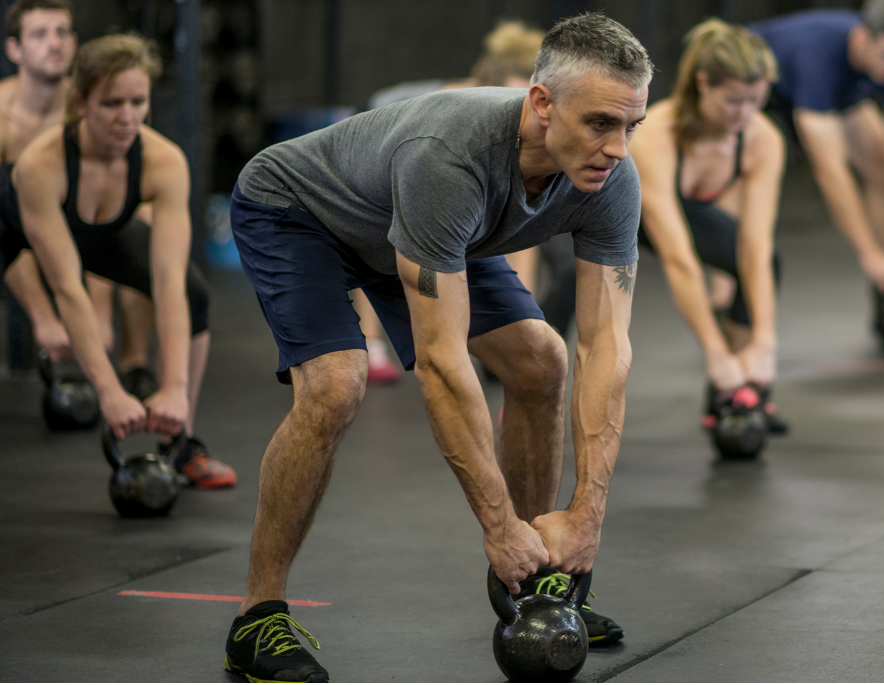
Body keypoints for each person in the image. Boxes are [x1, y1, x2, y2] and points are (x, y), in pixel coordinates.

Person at [226, 13, 650, 682]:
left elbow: (606, 347)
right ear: (542, 103)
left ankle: (534, 578)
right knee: (336, 384)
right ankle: (257, 617)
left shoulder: (611, 179)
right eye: (600, 123)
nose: (617, 148)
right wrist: (497, 524)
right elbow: (443, 365)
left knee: (541, 360)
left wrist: (586, 514)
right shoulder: (450, 156)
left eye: (632, 126)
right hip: (300, 212)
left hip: (423, 231)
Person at [0, 33, 235, 487]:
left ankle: (180, 442)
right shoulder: (41, 165)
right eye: (111, 104)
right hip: (12, 226)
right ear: (80, 103)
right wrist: (108, 392)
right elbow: (68, 287)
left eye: (137, 102)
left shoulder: (164, 162)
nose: (127, 117)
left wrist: (174, 389)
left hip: (94, 231)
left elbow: (168, 283)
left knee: (193, 293)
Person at [358, 20, 548, 384]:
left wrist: (521, 319)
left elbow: (522, 240)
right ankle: (370, 341)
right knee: (378, 232)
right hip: (382, 131)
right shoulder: (451, 115)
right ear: (488, 87)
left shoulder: (516, 127)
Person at [630, 19, 787, 433]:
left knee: (767, 262)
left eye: (755, 100)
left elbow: (754, 248)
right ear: (703, 83)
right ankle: (529, 391)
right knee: (566, 285)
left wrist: (765, 342)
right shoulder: (656, 135)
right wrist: (713, 352)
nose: (745, 113)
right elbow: (679, 259)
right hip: (611, 215)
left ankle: (739, 389)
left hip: (684, 211)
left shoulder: (762, 139)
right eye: (733, 101)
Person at [750, 0, 884, 346]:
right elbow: (830, 171)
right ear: (862, 39)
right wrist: (869, 254)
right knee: (740, 182)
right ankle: (727, 305)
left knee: (879, 161)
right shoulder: (816, 58)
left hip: (838, 88)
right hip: (759, 82)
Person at [0, 0, 157, 398]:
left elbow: (103, 208)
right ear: (14, 49)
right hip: (21, 228)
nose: (54, 43)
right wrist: (44, 318)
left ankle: (134, 363)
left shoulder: (92, 106)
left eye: (62, 33)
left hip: (83, 220)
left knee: (147, 218)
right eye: (40, 34)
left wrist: (97, 316)